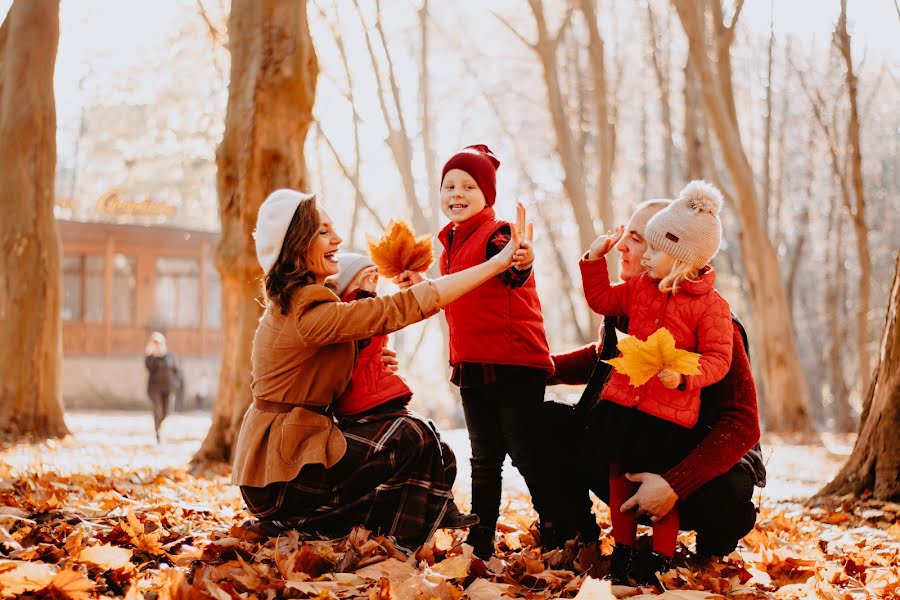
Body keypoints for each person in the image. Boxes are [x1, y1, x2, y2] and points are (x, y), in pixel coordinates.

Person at [232, 189, 531, 548]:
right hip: (283, 475)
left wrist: (360, 361)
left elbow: (314, 371)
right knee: (409, 436)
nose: (337, 239)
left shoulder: (304, 304)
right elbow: (396, 309)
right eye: (324, 231)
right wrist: (496, 264)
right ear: (298, 246)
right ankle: (355, 536)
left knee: (430, 445)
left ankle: (351, 534)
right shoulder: (306, 308)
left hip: (290, 460)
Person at [545, 194, 764, 583]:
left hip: (696, 461)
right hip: (634, 432)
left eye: (637, 238)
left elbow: (743, 423)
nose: (624, 247)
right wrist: (534, 368)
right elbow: (599, 357)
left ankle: (706, 547)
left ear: (674, 253)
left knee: (728, 498)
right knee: (548, 421)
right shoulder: (634, 303)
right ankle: (576, 531)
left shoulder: (716, 318)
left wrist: (674, 484)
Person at [397, 144, 555, 558]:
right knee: (484, 456)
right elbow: (458, 298)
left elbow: (514, 265)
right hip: (472, 362)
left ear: (486, 195)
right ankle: (481, 536)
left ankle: (560, 523)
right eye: (450, 185)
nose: (457, 193)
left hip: (515, 361)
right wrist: (421, 281)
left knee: (523, 451)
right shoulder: (450, 246)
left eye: (469, 185)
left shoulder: (496, 233)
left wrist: (521, 258)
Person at [580, 181, 735, 584]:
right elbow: (601, 300)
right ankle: (624, 550)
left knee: (660, 488)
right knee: (619, 479)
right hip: (624, 403)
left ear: (682, 257)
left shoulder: (712, 307)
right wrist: (593, 260)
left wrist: (684, 376)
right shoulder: (638, 291)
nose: (643, 256)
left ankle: (661, 557)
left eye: (653, 249)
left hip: (668, 414)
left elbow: (719, 359)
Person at [144, 331, 177, 443]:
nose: (158, 345)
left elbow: (175, 370)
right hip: (154, 389)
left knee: (166, 412)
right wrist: (154, 355)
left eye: (159, 343)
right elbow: (149, 368)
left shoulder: (169, 356)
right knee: (158, 410)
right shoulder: (150, 357)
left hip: (168, 388)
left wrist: (175, 384)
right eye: (155, 343)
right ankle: (157, 431)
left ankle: (159, 426)